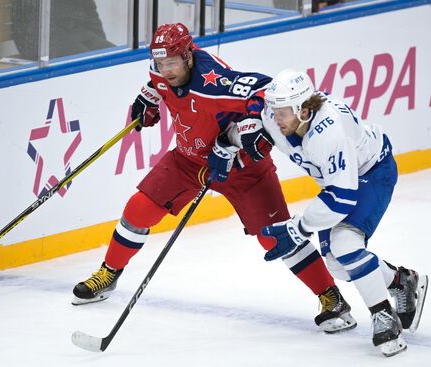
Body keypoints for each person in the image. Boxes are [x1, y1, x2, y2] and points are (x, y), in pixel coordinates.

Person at [71, 23, 357, 334]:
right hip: (188, 160)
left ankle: (331, 297)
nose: (165, 71)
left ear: (189, 57)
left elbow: (263, 88)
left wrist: (245, 127)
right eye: (159, 64)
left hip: (243, 168)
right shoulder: (161, 71)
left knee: (275, 236)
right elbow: (156, 82)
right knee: (139, 208)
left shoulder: (213, 81)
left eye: (172, 63)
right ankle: (108, 274)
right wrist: (149, 98)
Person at [239, 68, 428, 356]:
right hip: (339, 183)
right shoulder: (280, 114)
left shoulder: (329, 131)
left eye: (284, 112)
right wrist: (232, 139)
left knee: (345, 245)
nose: (276, 119)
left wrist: (297, 228)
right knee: (338, 265)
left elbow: (341, 199)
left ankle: (382, 314)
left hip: (373, 172)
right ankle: (401, 281)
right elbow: (256, 95)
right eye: (275, 111)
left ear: (304, 109)